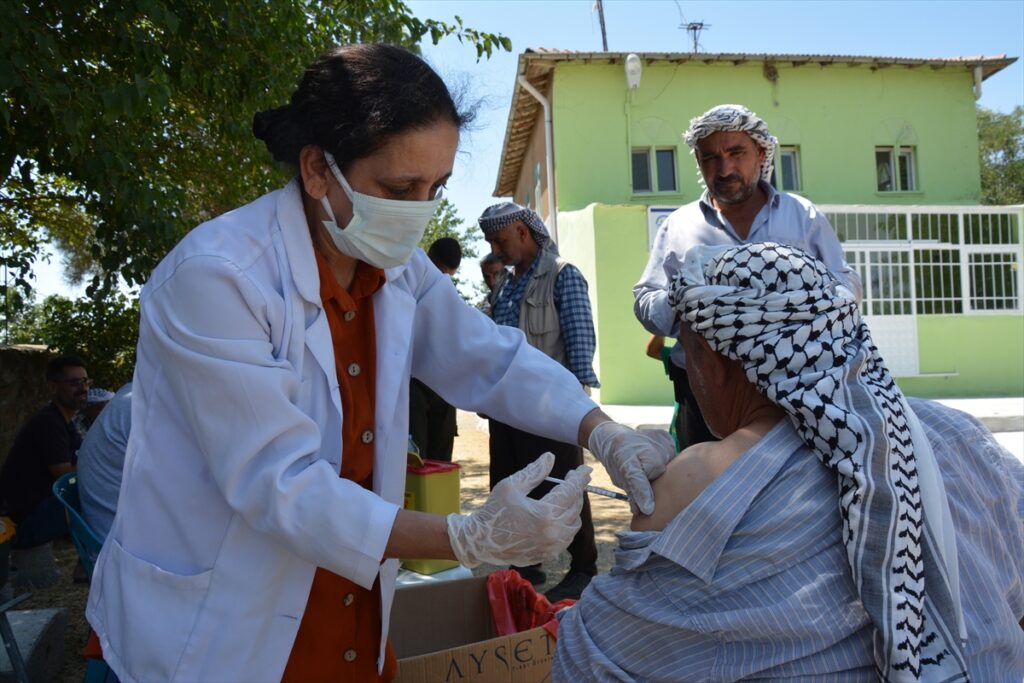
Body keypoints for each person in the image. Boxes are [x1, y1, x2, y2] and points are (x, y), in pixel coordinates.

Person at [85, 44, 674, 683]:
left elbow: (489, 358)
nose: (420, 211)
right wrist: (465, 537)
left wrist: (599, 430)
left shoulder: (396, 271)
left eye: (436, 188)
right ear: (318, 170)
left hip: (353, 615)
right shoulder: (217, 277)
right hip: (217, 630)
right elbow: (281, 485)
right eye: (399, 189)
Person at [555, 243, 1024, 682]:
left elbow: (592, 653)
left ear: (711, 359)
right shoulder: (957, 433)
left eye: (687, 354)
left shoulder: (697, 477)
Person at [633, 103, 862, 451]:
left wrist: (795, 300)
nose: (725, 169)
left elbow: (845, 289)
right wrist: (685, 299)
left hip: (798, 390)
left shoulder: (802, 217)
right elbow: (647, 301)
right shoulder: (678, 226)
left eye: (736, 153)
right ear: (699, 163)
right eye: (710, 158)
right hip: (704, 395)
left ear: (761, 153)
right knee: (706, 482)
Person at [479, 201, 608, 603]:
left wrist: (576, 406)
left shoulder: (563, 276)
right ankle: (526, 562)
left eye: (500, 240)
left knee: (564, 484)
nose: (495, 250)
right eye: (491, 242)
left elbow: (580, 342)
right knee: (510, 484)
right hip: (506, 407)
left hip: (550, 408)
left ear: (523, 232)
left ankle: (584, 567)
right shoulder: (505, 285)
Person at [0, 355, 88, 549]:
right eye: (74, 383)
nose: (83, 388)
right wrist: (99, 461)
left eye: (85, 381)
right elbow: (67, 478)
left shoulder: (65, 422)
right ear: (53, 388)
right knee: (99, 495)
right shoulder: (48, 423)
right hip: (23, 522)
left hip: (41, 511)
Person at [408, 237, 463, 461]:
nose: (443, 280)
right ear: (429, 260)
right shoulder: (404, 290)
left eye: (449, 276)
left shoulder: (451, 296)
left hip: (444, 388)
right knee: (415, 458)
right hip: (412, 387)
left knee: (441, 461)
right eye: (440, 273)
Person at [77, 383, 132, 539]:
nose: (104, 410)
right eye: (100, 407)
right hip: (117, 540)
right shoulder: (135, 405)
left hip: (109, 529)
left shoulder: (131, 396)